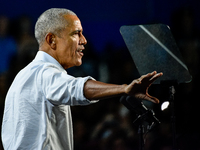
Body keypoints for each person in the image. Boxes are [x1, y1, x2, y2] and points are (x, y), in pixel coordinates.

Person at [1, 8, 163, 150]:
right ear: (51, 40)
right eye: (76, 33)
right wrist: (124, 89)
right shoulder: (44, 73)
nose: (84, 40)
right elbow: (76, 88)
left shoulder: (24, 75)